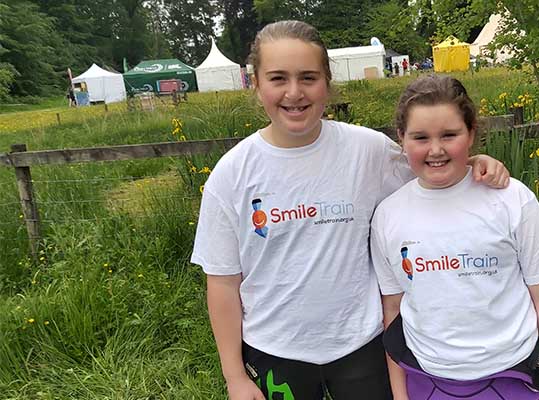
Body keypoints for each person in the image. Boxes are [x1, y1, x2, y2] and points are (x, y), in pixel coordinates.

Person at [191, 21, 510, 400]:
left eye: (308, 77)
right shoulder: (231, 174)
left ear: (327, 81)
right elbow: (223, 283)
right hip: (275, 349)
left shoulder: (367, 150)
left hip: (364, 343)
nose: (294, 92)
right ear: (255, 83)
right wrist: (235, 378)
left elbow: (434, 165)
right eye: (278, 78)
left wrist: (474, 162)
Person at [371, 75, 539, 400]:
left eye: (450, 135)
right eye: (421, 137)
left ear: (471, 133)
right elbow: (393, 309)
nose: (436, 149)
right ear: (401, 137)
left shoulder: (511, 199)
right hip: (430, 382)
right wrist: (400, 395)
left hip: (516, 376)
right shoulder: (387, 215)